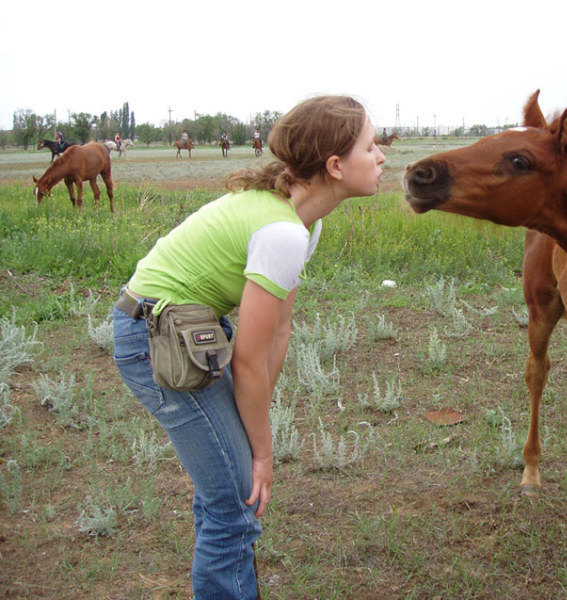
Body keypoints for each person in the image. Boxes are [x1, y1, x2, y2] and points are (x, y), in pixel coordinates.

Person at [112, 95, 385, 600]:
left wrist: (250, 424)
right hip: (155, 335)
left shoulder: (302, 224)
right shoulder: (281, 232)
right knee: (238, 499)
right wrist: (262, 450)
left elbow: (278, 332)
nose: (382, 156)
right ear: (335, 166)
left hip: (192, 327)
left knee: (227, 486)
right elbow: (249, 359)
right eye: (372, 146)